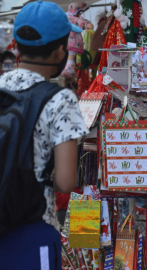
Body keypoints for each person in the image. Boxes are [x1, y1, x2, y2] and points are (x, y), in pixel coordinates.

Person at [0, 1, 88, 269]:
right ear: (60, 51)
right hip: (32, 231)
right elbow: (65, 181)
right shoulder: (61, 99)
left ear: (16, 45)